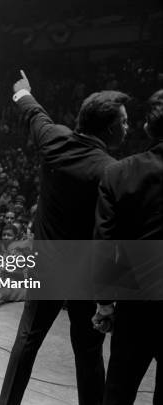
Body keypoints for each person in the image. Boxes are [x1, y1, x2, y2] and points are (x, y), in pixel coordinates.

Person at [0, 71, 130, 405]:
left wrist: (22, 91)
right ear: (109, 128)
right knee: (88, 352)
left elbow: (33, 111)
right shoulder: (111, 171)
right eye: (124, 122)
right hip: (85, 276)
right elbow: (108, 238)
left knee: (27, 340)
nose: (127, 128)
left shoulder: (53, 139)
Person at [91, 89, 163, 404]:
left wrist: (105, 304)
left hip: (137, 303)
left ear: (148, 127)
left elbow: (105, 246)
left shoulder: (119, 173)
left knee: (118, 393)